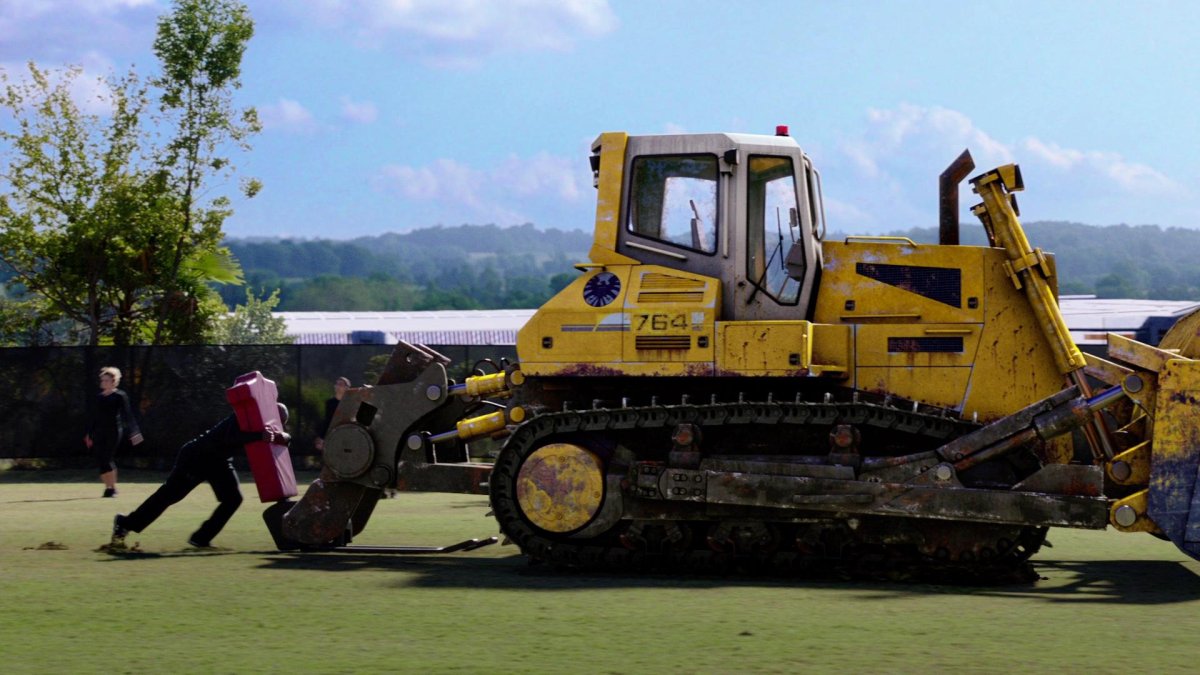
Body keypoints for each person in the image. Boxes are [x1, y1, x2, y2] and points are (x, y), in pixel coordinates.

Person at [111, 402, 291, 549]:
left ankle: (201, 538)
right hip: (198, 456)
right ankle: (125, 523)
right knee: (169, 496)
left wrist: (283, 437)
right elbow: (231, 438)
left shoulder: (264, 428)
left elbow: (271, 444)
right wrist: (260, 435)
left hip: (219, 460)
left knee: (233, 499)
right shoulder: (245, 415)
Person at [84, 366, 144, 498]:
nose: (103, 382)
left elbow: (128, 415)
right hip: (99, 432)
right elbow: (95, 417)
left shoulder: (119, 396)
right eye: (102, 380)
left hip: (114, 432)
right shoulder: (99, 397)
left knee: (107, 458)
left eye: (106, 380)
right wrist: (89, 434)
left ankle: (113, 488)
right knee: (100, 460)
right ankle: (107, 489)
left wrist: (135, 432)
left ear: (113, 381)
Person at [315, 376, 350, 451]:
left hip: (347, 434)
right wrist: (322, 437)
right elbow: (327, 420)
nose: (338, 386)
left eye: (340, 384)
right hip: (333, 434)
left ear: (346, 388)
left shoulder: (350, 403)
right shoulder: (330, 403)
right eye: (337, 384)